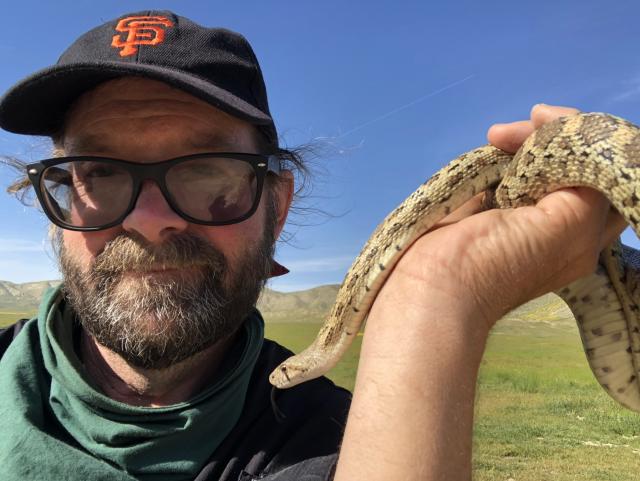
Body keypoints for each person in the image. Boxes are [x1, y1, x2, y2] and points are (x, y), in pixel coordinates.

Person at [0, 10, 626, 481]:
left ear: (277, 204)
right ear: (56, 209)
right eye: (100, 174)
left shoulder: (351, 442)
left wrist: (434, 296)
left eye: (208, 171)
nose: (152, 220)